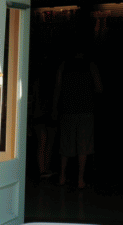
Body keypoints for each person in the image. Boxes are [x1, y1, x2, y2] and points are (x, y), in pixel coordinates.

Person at [52, 50, 102, 189]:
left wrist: (55, 108)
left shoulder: (64, 65)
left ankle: (62, 176)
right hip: (85, 111)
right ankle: (80, 179)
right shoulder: (90, 65)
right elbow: (99, 87)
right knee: (83, 145)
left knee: (65, 145)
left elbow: (57, 88)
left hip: (67, 110)